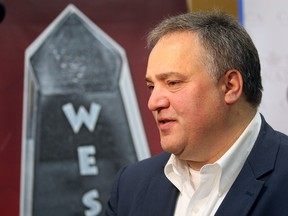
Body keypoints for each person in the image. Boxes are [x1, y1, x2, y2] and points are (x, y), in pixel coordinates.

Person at [105, 11, 288, 216]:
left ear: (230, 86)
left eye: (172, 83)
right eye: (151, 87)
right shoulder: (131, 185)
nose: (153, 102)